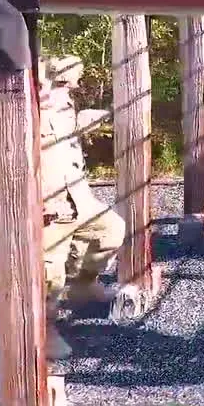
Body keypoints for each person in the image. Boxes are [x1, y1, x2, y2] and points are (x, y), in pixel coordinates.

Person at [37, 55, 125, 361]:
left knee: (111, 230)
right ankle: (42, 331)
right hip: (47, 204)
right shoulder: (24, 111)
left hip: (77, 198)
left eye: (70, 84)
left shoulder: (64, 108)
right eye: (62, 82)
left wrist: (109, 113)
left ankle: (85, 285)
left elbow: (75, 122)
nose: (67, 90)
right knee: (49, 275)